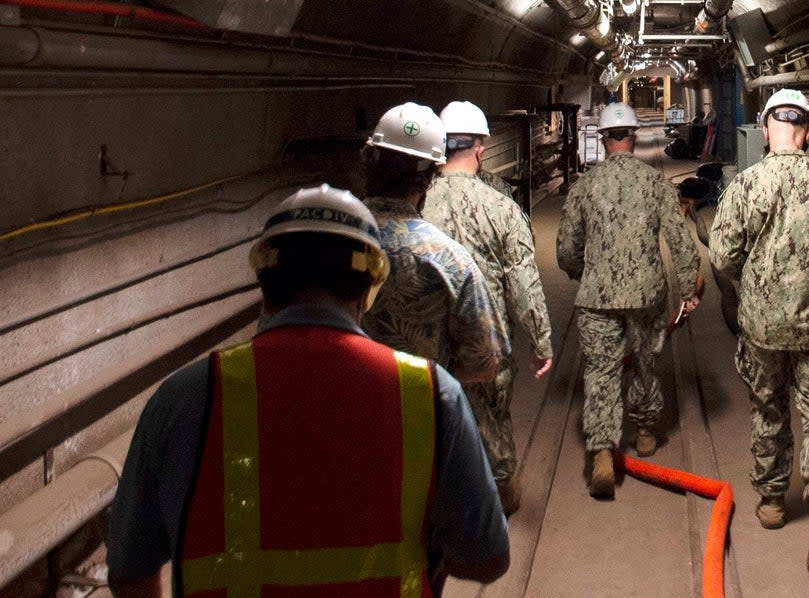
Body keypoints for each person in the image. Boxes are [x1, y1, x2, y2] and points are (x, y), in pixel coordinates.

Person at [106, 185, 509, 597]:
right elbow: (486, 558)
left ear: (265, 282)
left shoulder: (184, 397)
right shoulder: (430, 393)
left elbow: (129, 570)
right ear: (370, 285)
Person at [708, 88, 809, 577]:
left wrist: (751, 285)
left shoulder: (746, 185)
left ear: (764, 128)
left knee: (769, 409)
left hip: (762, 328)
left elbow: (721, 256)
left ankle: (774, 502)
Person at [556, 101, 701, 499]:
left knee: (601, 373)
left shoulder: (584, 185)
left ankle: (602, 450)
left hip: (597, 296)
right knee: (645, 364)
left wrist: (578, 273)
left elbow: (567, 248)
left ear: (603, 139)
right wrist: (688, 290)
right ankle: (645, 432)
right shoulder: (655, 183)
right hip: (647, 294)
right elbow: (680, 241)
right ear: (633, 137)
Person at [423, 99, 555, 515]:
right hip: (486, 342)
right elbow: (523, 281)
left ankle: (434, 501)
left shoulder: (415, 203)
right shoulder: (501, 208)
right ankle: (500, 497)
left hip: (423, 346)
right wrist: (541, 341)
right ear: (480, 148)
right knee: (492, 420)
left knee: (428, 424)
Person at [361, 102, 505, 385]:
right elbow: (484, 365)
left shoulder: (324, 242)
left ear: (369, 160)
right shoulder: (449, 260)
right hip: (417, 418)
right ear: (431, 175)